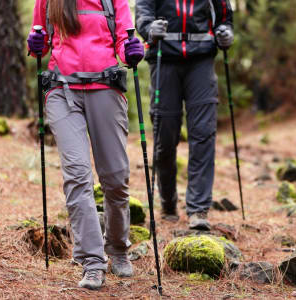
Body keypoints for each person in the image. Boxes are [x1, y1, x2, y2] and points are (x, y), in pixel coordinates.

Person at [27, 0, 144, 290]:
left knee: (115, 178)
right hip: (61, 90)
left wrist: (130, 52)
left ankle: (117, 247)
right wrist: (35, 43)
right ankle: (93, 261)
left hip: (105, 87)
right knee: (77, 174)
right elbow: (39, 46)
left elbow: (123, 41)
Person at [136, 0, 234, 230]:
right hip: (164, 60)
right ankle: (168, 201)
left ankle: (198, 209)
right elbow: (142, 14)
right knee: (165, 139)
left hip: (201, 62)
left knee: (203, 134)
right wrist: (150, 29)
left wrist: (226, 32)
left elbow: (224, 17)